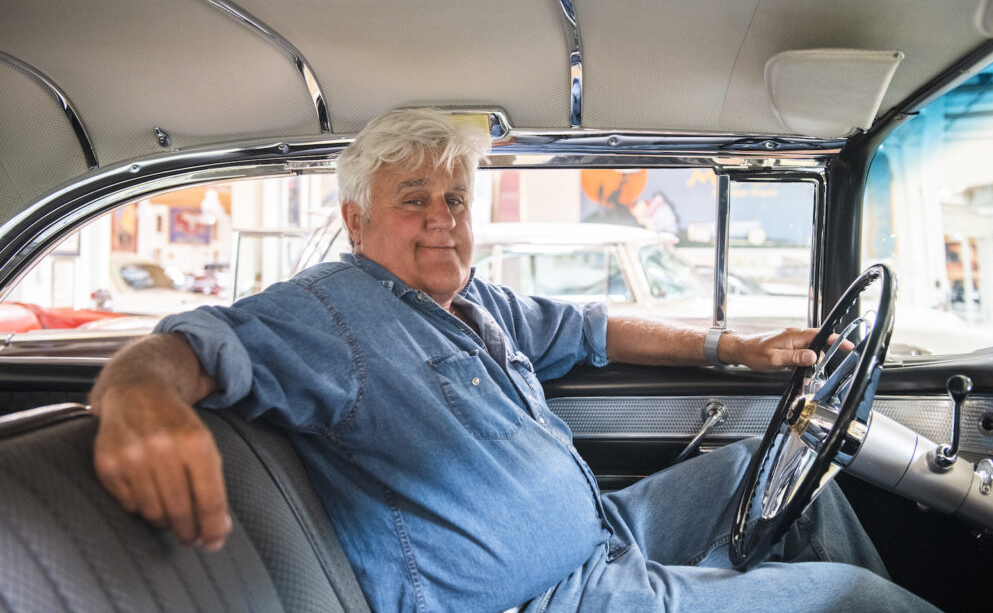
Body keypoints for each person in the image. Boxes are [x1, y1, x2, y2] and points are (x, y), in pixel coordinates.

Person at [90, 108, 934, 612]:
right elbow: (186, 345)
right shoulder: (328, 311)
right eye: (413, 200)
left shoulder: (478, 302)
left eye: (455, 198)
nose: (442, 219)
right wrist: (141, 401)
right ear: (356, 222)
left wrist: (735, 348)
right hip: (553, 598)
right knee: (852, 602)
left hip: (609, 535)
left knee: (767, 466)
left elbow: (595, 327)